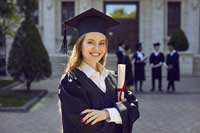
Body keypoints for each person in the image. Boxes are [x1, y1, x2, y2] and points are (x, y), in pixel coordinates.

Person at [58, 8, 140, 133]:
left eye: (102, 43)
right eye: (90, 42)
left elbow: (134, 108)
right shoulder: (71, 82)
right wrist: (120, 114)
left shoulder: (114, 78)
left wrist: (106, 114)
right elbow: (85, 126)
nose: (97, 48)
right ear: (80, 45)